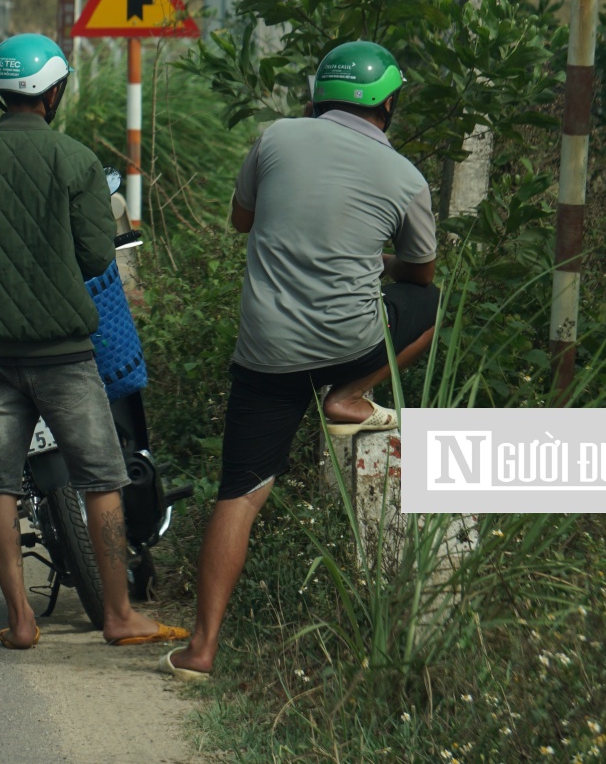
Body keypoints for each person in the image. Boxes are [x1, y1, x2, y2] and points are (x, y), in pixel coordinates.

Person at [163, 40, 440, 682]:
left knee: (241, 493)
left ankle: (200, 651)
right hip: (352, 343)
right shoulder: (404, 175)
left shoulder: (275, 137)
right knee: (431, 310)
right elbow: (421, 274)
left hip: (268, 351)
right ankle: (352, 395)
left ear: (318, 94)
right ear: (389, 103)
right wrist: (373, 261)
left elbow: (242, 220)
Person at [0, 33, 185, 651]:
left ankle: (20, 620)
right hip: (64, 353)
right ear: (54, 91)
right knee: (102, 479)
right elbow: (96, 255)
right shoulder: (78, 162)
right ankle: (118, 615)